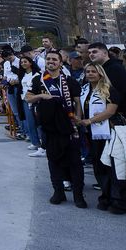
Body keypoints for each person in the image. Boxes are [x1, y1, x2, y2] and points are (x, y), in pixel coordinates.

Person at [25, 51, 86, 208]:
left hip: (69, 127)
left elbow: (77, 102)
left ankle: (78, 194)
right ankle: (58, 191)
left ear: (60, 63)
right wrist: (41, 96)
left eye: (54, 59)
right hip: (50, 128)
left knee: (75, 162)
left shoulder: (69, 81)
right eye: (48, 59)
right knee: (53, 160)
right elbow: (28, 97)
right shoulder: (39, 80)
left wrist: (78, 120)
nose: (51, 61)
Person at [80, 62, 126, 214]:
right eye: (87, 71)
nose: (90, 74)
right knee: (99, 166)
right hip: (92, 134)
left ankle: (120, 201)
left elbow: (110, 111)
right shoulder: (85, 89)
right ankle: (106, 196)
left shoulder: (110, 90)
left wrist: (90, 121)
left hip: (109, 133)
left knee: (115, 167)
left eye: (93, 71)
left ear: (100, 74)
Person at [18, 56, 44, 157]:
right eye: (22, 62)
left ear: (30, 63)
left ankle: (42, 145)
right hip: (25, 100)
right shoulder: (22, 74)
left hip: (35, 101)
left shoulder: (37, 74)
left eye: (25, 61)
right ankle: (35, 142)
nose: (23, 63)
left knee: (38, 123)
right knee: (30, 122)